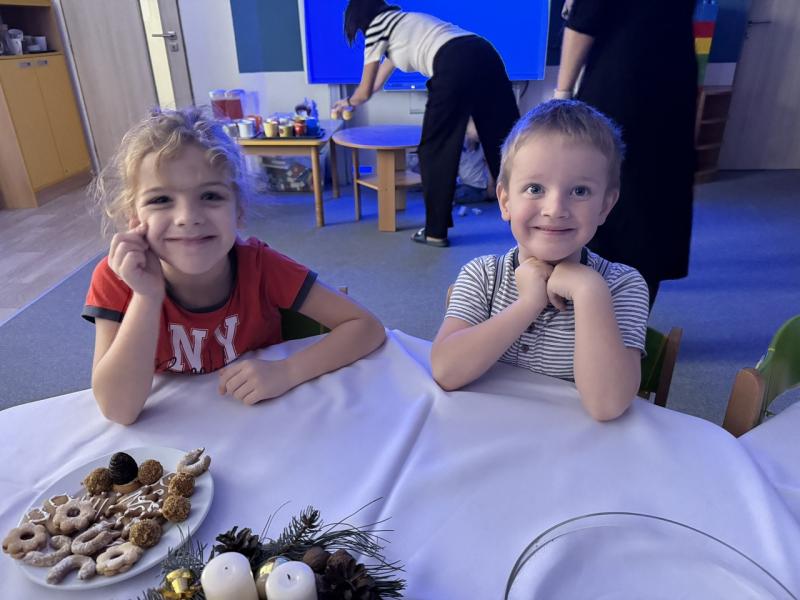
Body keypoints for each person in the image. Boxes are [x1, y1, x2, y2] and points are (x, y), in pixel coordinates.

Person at [83, 107, 385, 425]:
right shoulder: (117, 277)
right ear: (133, 219)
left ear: (238, 212)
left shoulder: (261, 266)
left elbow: (366, 326)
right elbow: (119, 410)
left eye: (210, 196)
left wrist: (287, 371)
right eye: (160, 200)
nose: (188, 217)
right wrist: (146, 297)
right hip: (177, 432)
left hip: (264, 420)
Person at [431, 100, 650, 421]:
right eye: (535, 188)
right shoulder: (482, 275)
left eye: (579, 191)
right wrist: (529, 303)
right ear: (505, 201)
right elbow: (445, 371)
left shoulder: (622, 285)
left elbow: (607, 405)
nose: (555, 209)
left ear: (605, 205)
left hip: (572, 446)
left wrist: (589, 290)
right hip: (485, 432)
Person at [332, 0, 519, 247]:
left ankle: (435, 232)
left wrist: (346, 102)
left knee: (435, 149)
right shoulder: (403, 23)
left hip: (453, 61)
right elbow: (376, 84)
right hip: (485, 53)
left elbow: (364, 90)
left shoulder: (377, 27)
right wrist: (353, 102)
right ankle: (526, 219)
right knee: (507, 143)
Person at [556, 0, 697, 306]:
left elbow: (583, 22)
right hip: (673, 79)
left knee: (598, 192)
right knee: (653, 200)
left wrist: (562, 94)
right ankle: (633, 315)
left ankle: (588, 312)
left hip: (621, 80)